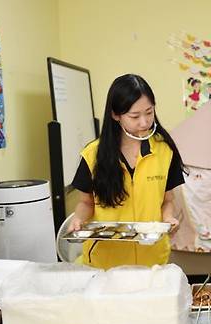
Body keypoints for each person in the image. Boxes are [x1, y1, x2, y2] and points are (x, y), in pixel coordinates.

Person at [69, 74, 185, 269]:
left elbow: (167, 200)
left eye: (149, 112)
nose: (144, 122)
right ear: (116, 115)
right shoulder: (93, 155)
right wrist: (78, 219)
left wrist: (168, 219)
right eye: (134, 116)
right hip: (105, 263)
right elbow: (86, 203)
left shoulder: (164, 151)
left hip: (152, 260)